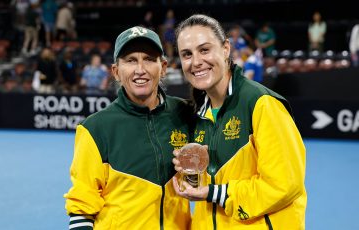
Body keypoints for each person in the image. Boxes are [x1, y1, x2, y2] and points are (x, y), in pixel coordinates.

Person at [172, 14, 307, 229]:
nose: (196, 62)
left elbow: (284, 185)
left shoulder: (262, 103)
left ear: (226, 48)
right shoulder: (198, 114)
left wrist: (214, 192)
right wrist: (188, 170)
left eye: (204, 50)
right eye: (186, 54)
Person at [64, 26, 193, 229]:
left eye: (149, 59)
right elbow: (81, 206)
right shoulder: (95, 128)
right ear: (116, 71)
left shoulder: (185, 113)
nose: (140, 70)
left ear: (164, 67)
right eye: (131, 60)